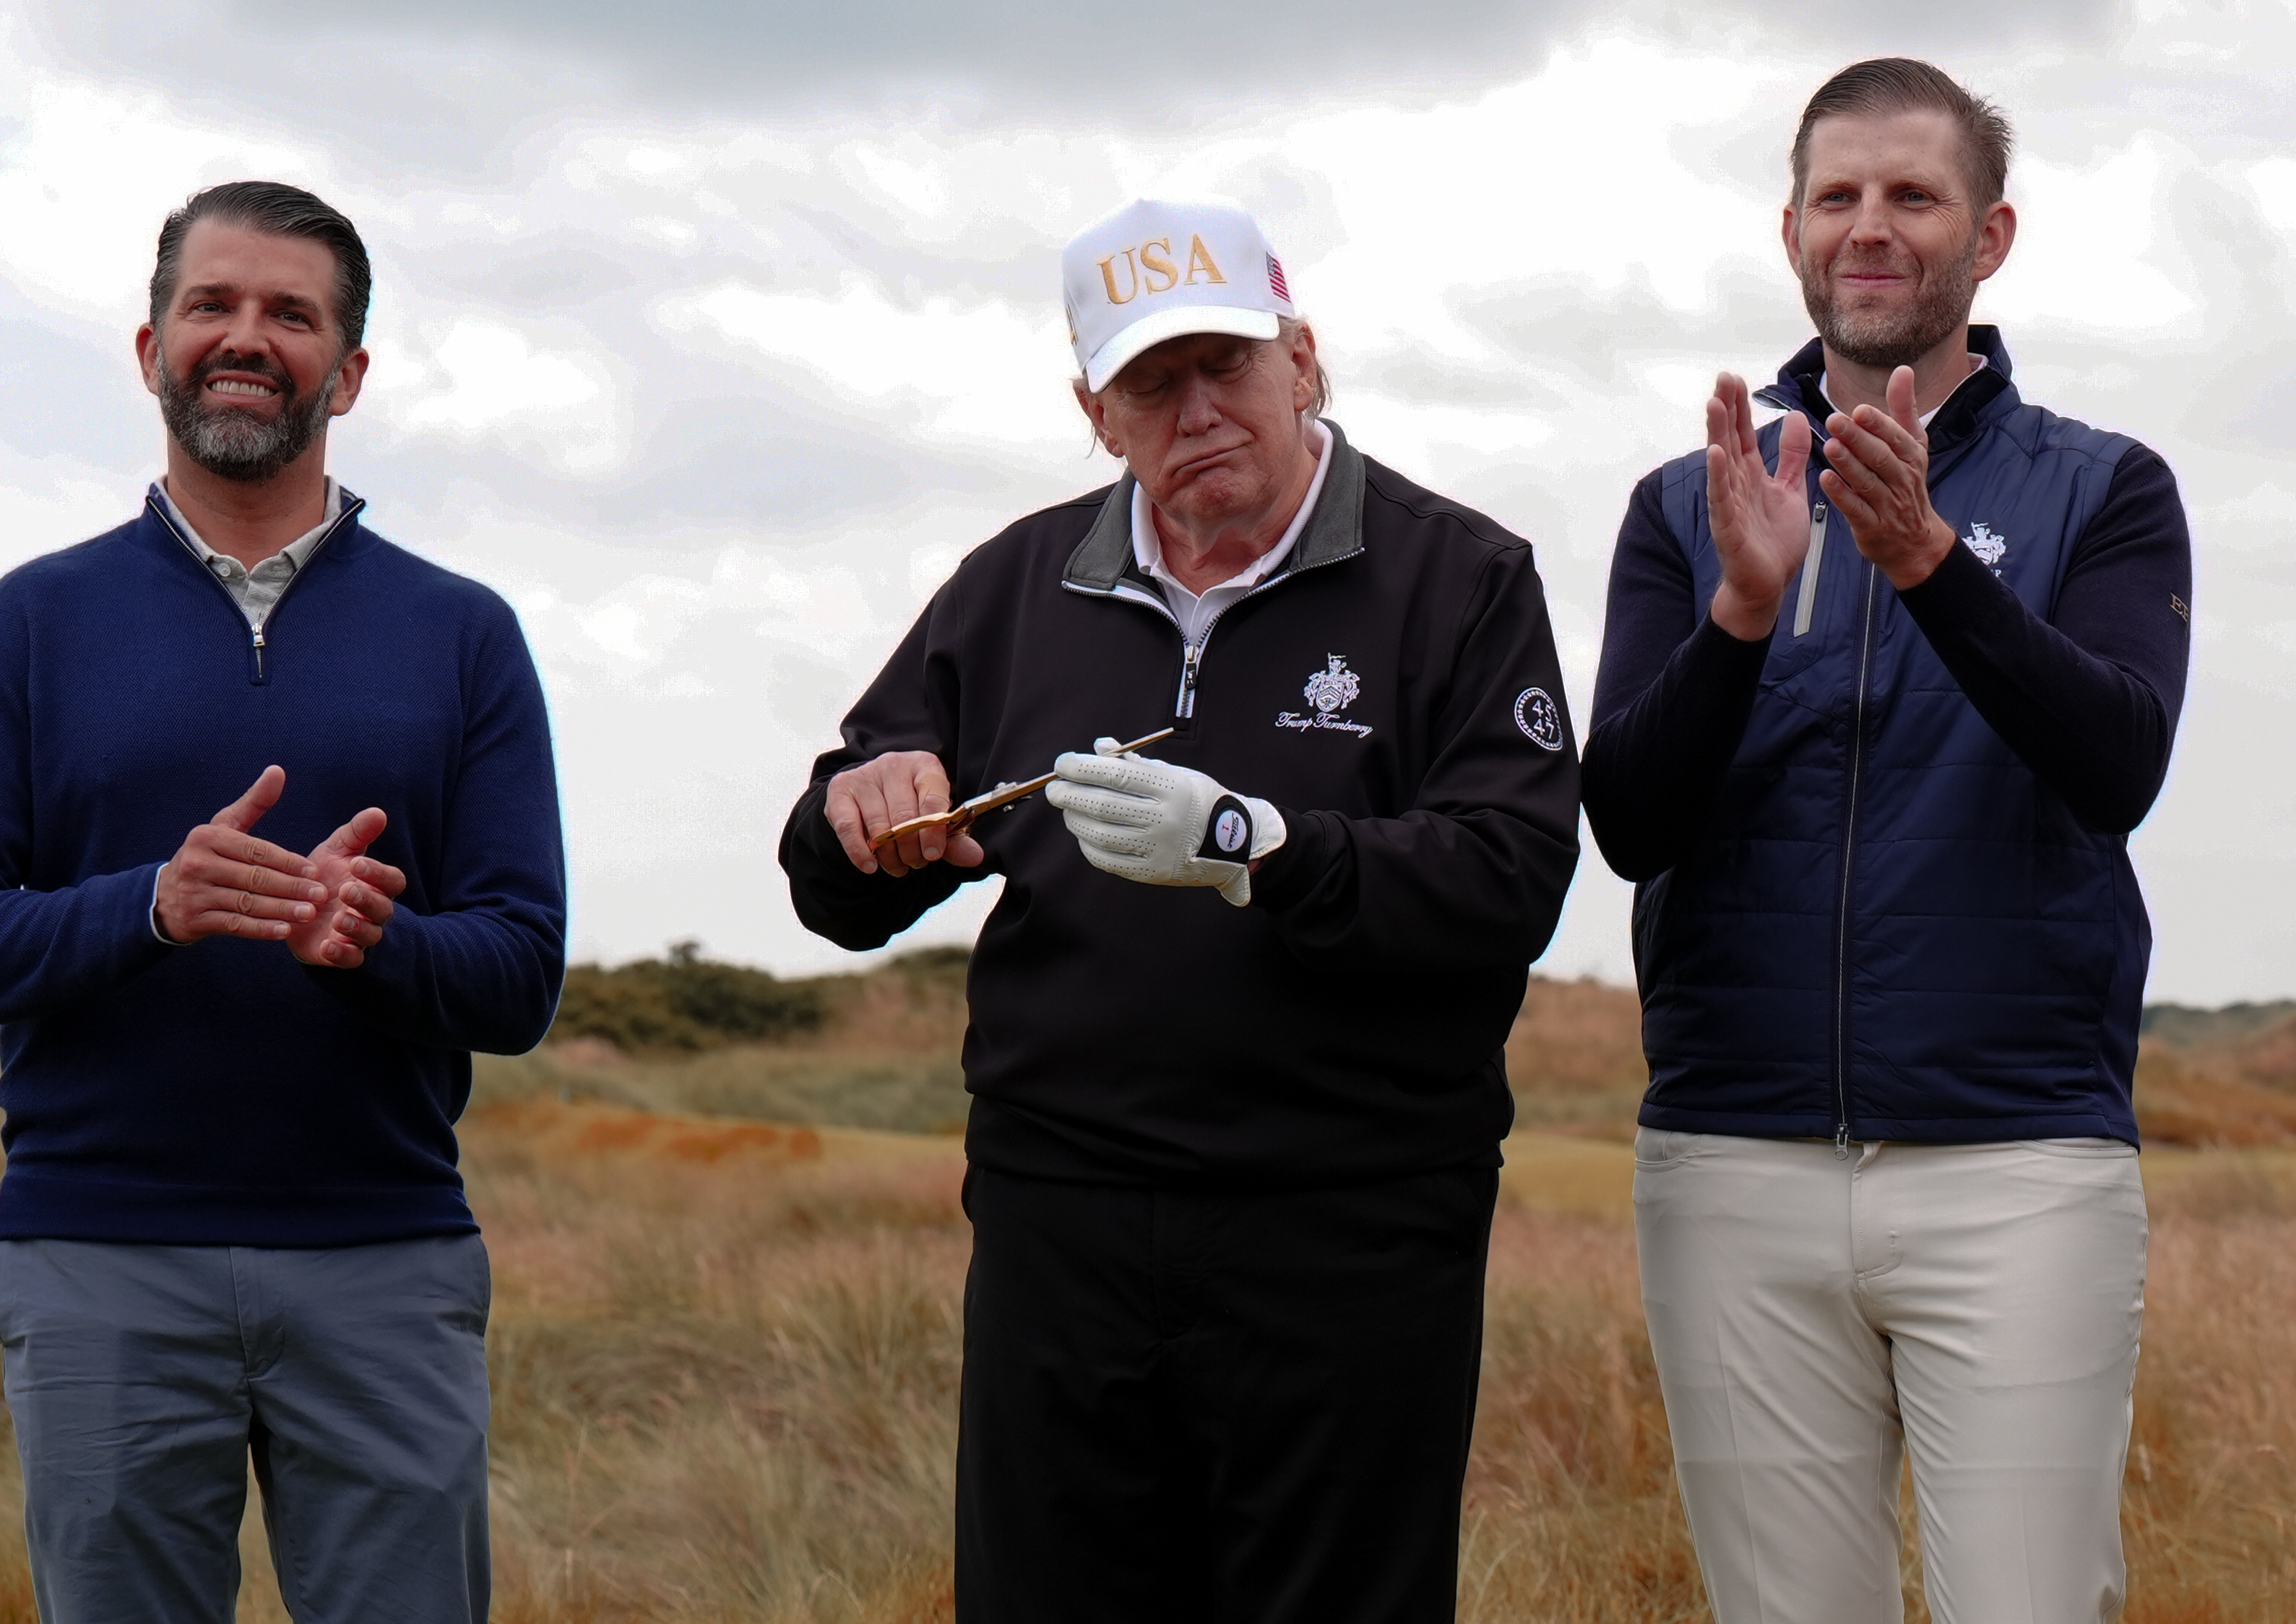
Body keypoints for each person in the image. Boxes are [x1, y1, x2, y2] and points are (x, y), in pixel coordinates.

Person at [778, 196, 1580, 1622]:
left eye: (1226, 363)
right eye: (1153, 380)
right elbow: (835, 885)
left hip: (1352, 1224)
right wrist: (856, 806)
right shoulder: (1013, 587)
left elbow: (1506, 878)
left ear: (1302, 359)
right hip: (1063, 1220)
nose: (1197, 409)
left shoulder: (1456, 577)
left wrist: (1259, 845)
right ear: (1098, 412)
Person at [0, 181, 566, 1624]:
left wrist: (370, 944)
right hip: (98, 1260)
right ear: (151, 347)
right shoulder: (33, 621)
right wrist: (150, 905)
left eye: (290, 314)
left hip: (384, 1257)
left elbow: (517, 976)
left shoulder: (464, 633)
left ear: (350, 371)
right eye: (214, 304)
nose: (245, 337)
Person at [1584, 59, 2190, 1624]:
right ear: (1787, 226)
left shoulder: (2106, 490)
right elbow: (1630, 824)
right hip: (1730, 1159)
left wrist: (1923, 559)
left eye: (1909, 195)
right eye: (1836, 196)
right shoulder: (1683, 503)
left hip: (2017, 1162)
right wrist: (1737, 609)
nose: (1868, 226)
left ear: (1986, 237)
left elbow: (2112, 760)